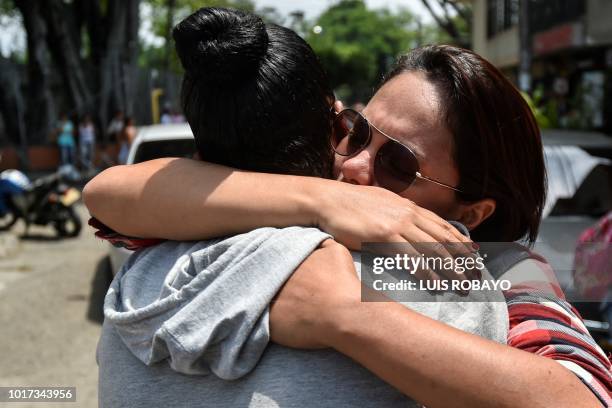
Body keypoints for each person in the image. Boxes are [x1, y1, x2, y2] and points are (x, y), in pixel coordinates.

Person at [86, 40, 611, 408]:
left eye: (398, 164)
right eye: (356, 132)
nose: (355, 165)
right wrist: (319, 197)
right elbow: (110, 195)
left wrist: (343, 313)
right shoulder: (286, 203)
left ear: (471, 215)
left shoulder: (494, 269)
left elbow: (579, 396)